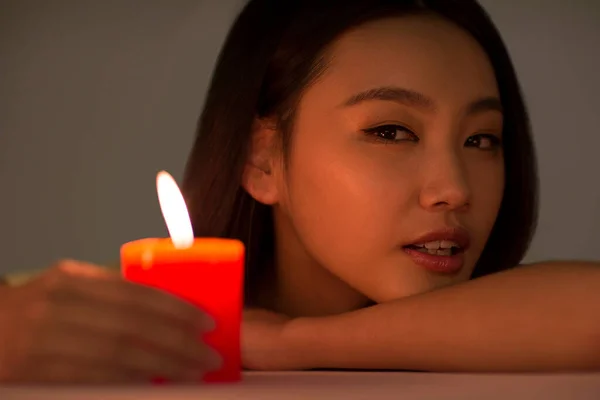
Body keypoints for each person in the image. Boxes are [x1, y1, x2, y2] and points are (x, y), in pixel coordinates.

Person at [1, 0, 599, 384]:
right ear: (262, 161)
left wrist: (289, 343)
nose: (454, 190)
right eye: (391, 131)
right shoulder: (96, 318)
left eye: (482, 140)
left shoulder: (512, 335)